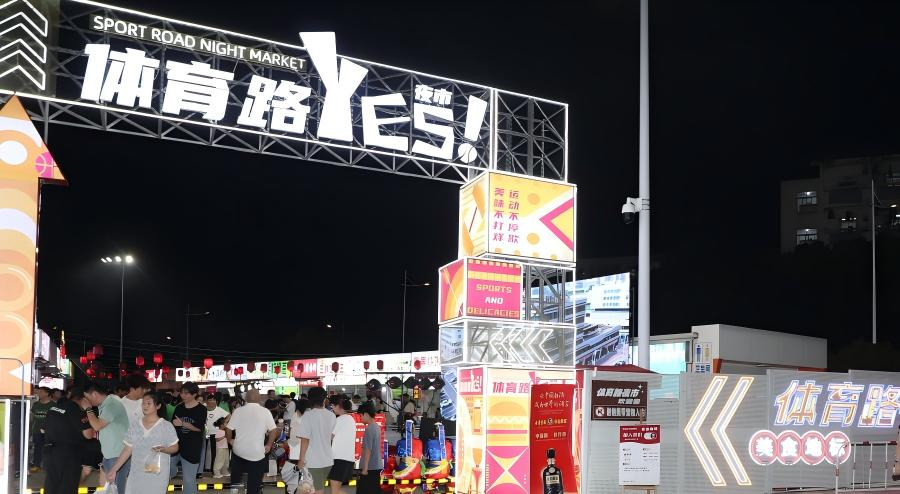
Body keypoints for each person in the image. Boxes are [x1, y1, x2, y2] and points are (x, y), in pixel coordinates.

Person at [106, 392, 180, 494]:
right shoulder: (135, 425)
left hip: (157, 475)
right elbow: (127, 449)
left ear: (158, 406)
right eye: (143, 403)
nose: (145, 406)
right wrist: (114, 469)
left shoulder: (166, 426)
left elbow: (175, 447)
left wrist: (164, 449)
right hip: (137, 474)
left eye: (148, 403)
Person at [226, 389, 279, 494]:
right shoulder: (265, 411)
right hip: (257, 452)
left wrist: (230, 440)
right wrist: (269, 445)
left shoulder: (238, 411)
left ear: (246, 398)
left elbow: (228, 429)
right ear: (259, 398)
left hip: (239, 451)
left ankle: (234, 491)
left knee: (235, 480)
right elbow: (274, 430)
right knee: (254, 483)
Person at [43, 386, 94, 493]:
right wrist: (89, 411)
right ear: (84, 399)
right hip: (68, 454)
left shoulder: (54, 408)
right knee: (67, 486)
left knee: (51, 485)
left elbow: (42, 429)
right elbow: (88, 434)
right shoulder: (76, 410)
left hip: (49, 451)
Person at [84, 381, 131, 491]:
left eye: (87, 398)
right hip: (111, 454)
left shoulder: (111, 405)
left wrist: (88, 408)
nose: (87, 401)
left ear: (94, 394)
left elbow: (97, 425)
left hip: (117, 455)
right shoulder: (106, 404)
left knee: (116, 488)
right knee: (108, 487)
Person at [298, 386, 336, 494]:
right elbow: (332, 436)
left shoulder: (308, 416)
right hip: (328, 459)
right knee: (318, 488)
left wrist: (301, 459)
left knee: (317, 490)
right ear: (324, 399)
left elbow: (305, 439)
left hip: (314, 461)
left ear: (310, 400)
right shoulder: (331, 415)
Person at [170, 382, 206, 493]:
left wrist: (183, 424)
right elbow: (173, 424)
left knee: (189, 480)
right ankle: (173, 472)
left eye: (186, 393)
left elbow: (199, 428)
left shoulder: (201, 409)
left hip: (192, 448)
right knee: (166, 469)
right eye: (181, 393)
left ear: (194, 394)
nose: (183, 395)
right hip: (176, 446)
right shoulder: (179, 407)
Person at [329, 398, 356, 494]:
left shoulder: (340, 419)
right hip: (348, 459)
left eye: (333, 406)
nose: (332, 408)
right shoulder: (351, 419)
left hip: (339, 458)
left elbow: (330, 437)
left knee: (335, 489)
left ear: (339, 406)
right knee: (336, 489)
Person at [357, 404, 383, 494]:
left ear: (366, 414)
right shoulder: (376, 427)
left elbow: (368, 449)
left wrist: (365, 468)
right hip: (375, 466)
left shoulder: (370, 429)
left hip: (370, 468)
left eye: (361, 416)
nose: (360, 418)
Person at [29, 386, 54, 472]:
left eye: (41, 392)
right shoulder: (36, 404)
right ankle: (37, 465)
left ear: (47, 393)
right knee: (37, 448)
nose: (39, 393)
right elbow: (32, 417)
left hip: (49, 431)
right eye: (38, 391)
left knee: (48, 448)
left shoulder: (53, 405)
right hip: (36, 430)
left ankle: (48, 466)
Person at [204, 393, 229, 475]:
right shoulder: (203, 408)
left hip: (215, 433)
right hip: (204, 433)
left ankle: (213, 469)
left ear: (216, 401)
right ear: (206, 401)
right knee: (204, 451)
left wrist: (224, 423)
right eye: (210, 400)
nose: (212, 401)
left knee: (215, 452)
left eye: (214, 400)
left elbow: (229, 415)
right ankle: (203, 468)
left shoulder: (219, 409)